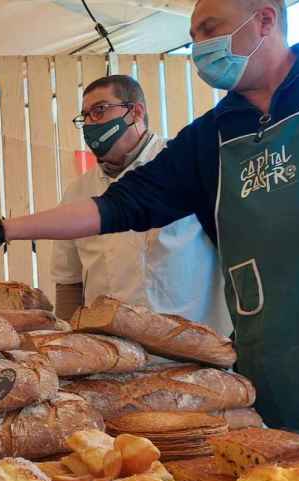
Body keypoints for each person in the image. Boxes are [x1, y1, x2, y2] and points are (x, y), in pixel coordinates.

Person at [0, 0, 299, 433]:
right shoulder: (210, 136)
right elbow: (120, 205)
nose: (199, 45)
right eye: (195, 35)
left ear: (264, 20)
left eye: (209, 29)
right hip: (273, 364)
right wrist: (6, 229)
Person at [53, 75, 231, 335]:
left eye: (99, 110)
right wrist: (71, 342)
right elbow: (68, 281)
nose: (90, 123)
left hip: (194, 346)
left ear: (135, 112)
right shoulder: (77, 194)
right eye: (85, 116)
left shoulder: (186, 169)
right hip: (113, 354)